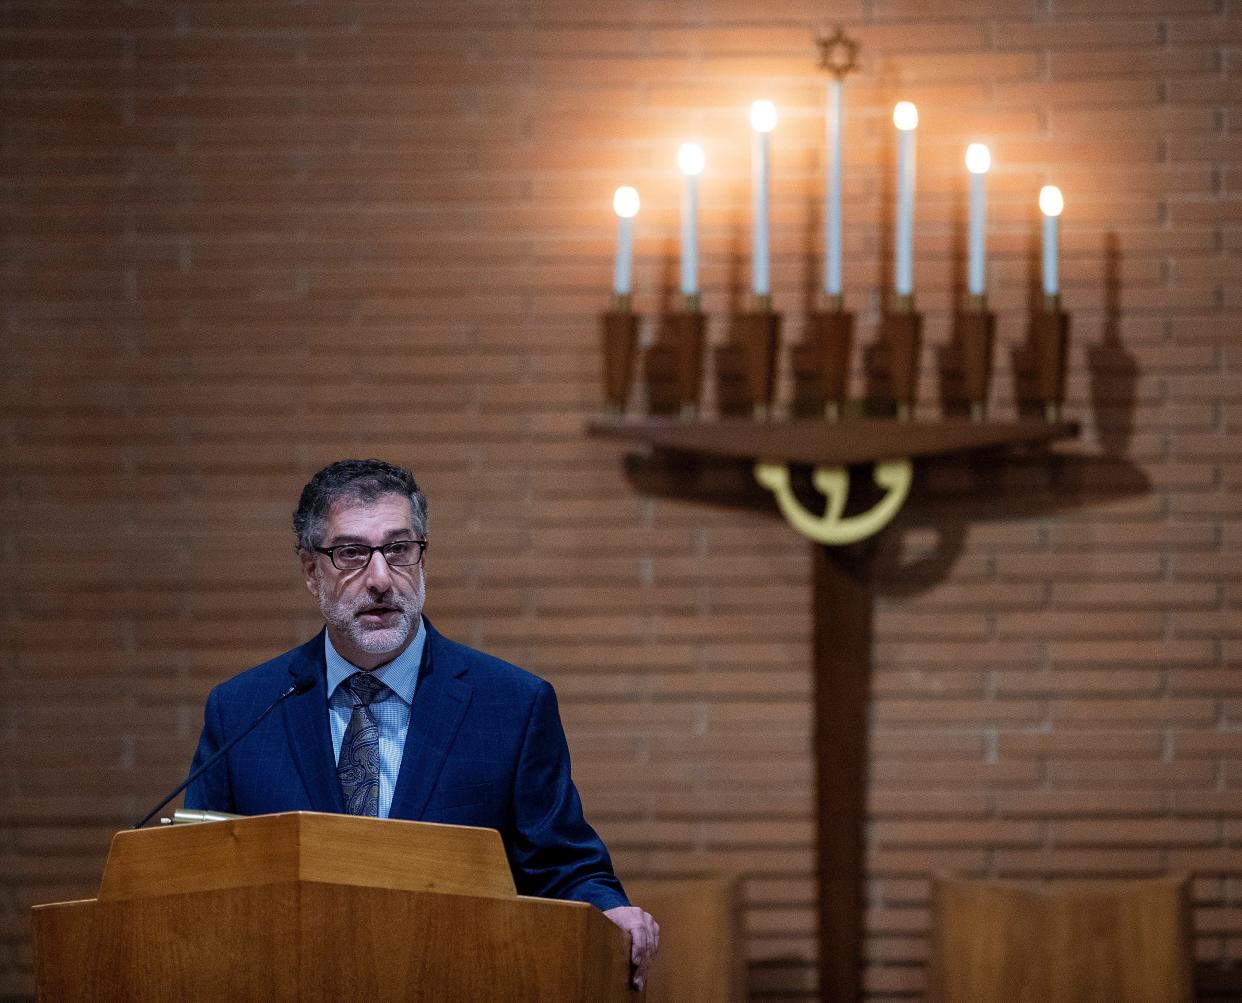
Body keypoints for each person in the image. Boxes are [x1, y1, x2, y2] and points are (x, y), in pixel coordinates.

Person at [185, 458, 659, 989]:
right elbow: (194, 878)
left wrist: (610, 910)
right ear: (310, 570)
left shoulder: (511, 706)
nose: (381, 579)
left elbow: (565, 867)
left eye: (399, 550)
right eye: (352, 555)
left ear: (423, 558)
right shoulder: (244, 710)